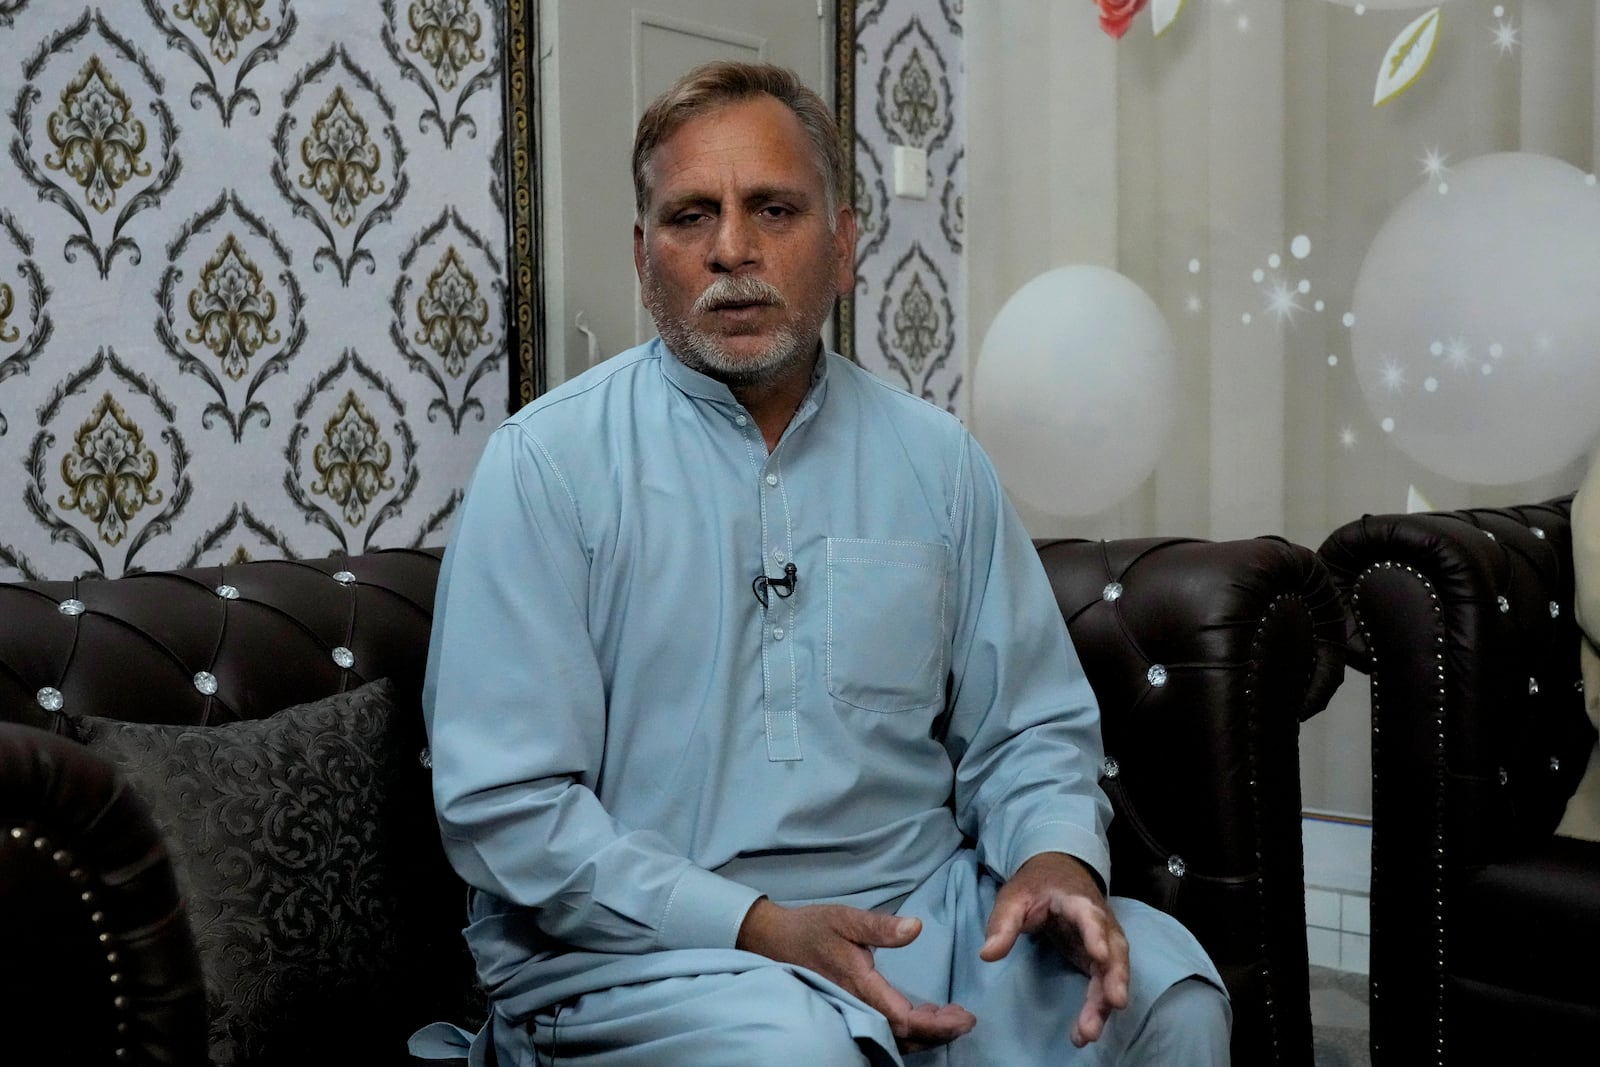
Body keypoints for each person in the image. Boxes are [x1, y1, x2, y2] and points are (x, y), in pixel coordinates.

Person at [413, 60, 1230, 1066]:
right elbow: (509, 810)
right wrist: (759, 922)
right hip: (649, 952)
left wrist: (1052, 860)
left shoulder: (936, 462)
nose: (730, 249)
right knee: (793, 1051)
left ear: (842, 246)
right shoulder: (545, 468)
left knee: (1171, 990)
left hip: (918, 919)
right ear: (642, 254)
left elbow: (1027, 727)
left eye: (773, 208)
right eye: (689, 216)